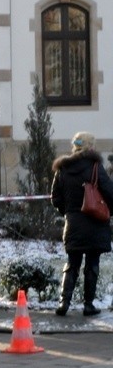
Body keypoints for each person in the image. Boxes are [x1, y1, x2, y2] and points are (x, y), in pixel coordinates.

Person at [50, 132, 113, 316]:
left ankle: (64, 303)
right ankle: (88, 305)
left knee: (72, 264)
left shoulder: (62, 169)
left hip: (73, 224)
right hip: (95, 224)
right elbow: (109, 192)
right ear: (90, 147)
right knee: (92, 265)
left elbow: (55, 198)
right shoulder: (95, 167)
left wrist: (69, 212)